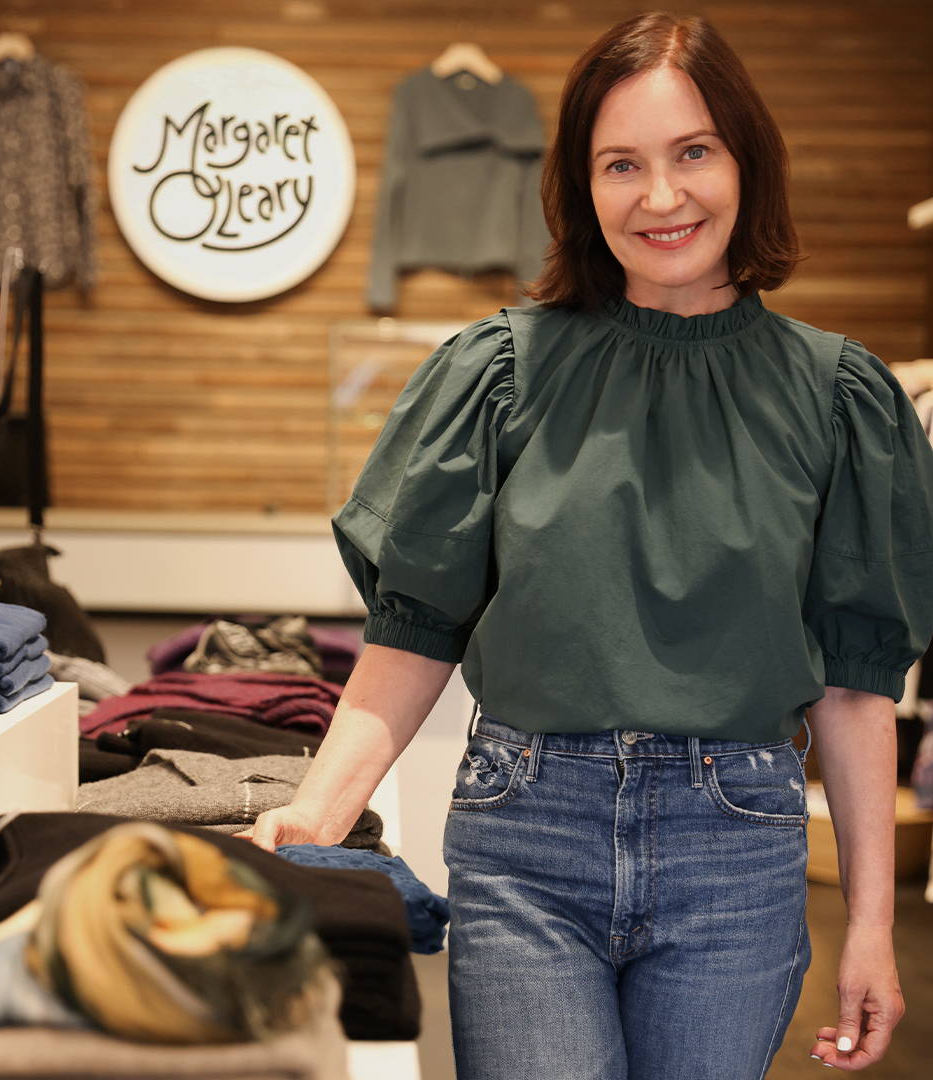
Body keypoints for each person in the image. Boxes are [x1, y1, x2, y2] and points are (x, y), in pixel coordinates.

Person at [239, 11, 933, 1078]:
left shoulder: (837, 397)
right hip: (527, 844)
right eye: (622, 163)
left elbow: (853, 685)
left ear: (746, 160)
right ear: (579, 182)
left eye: (693, 152)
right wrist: (319, 815)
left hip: (737, 852)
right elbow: (414, 628)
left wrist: (875, 930)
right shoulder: (498, 374)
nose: (661, 197)